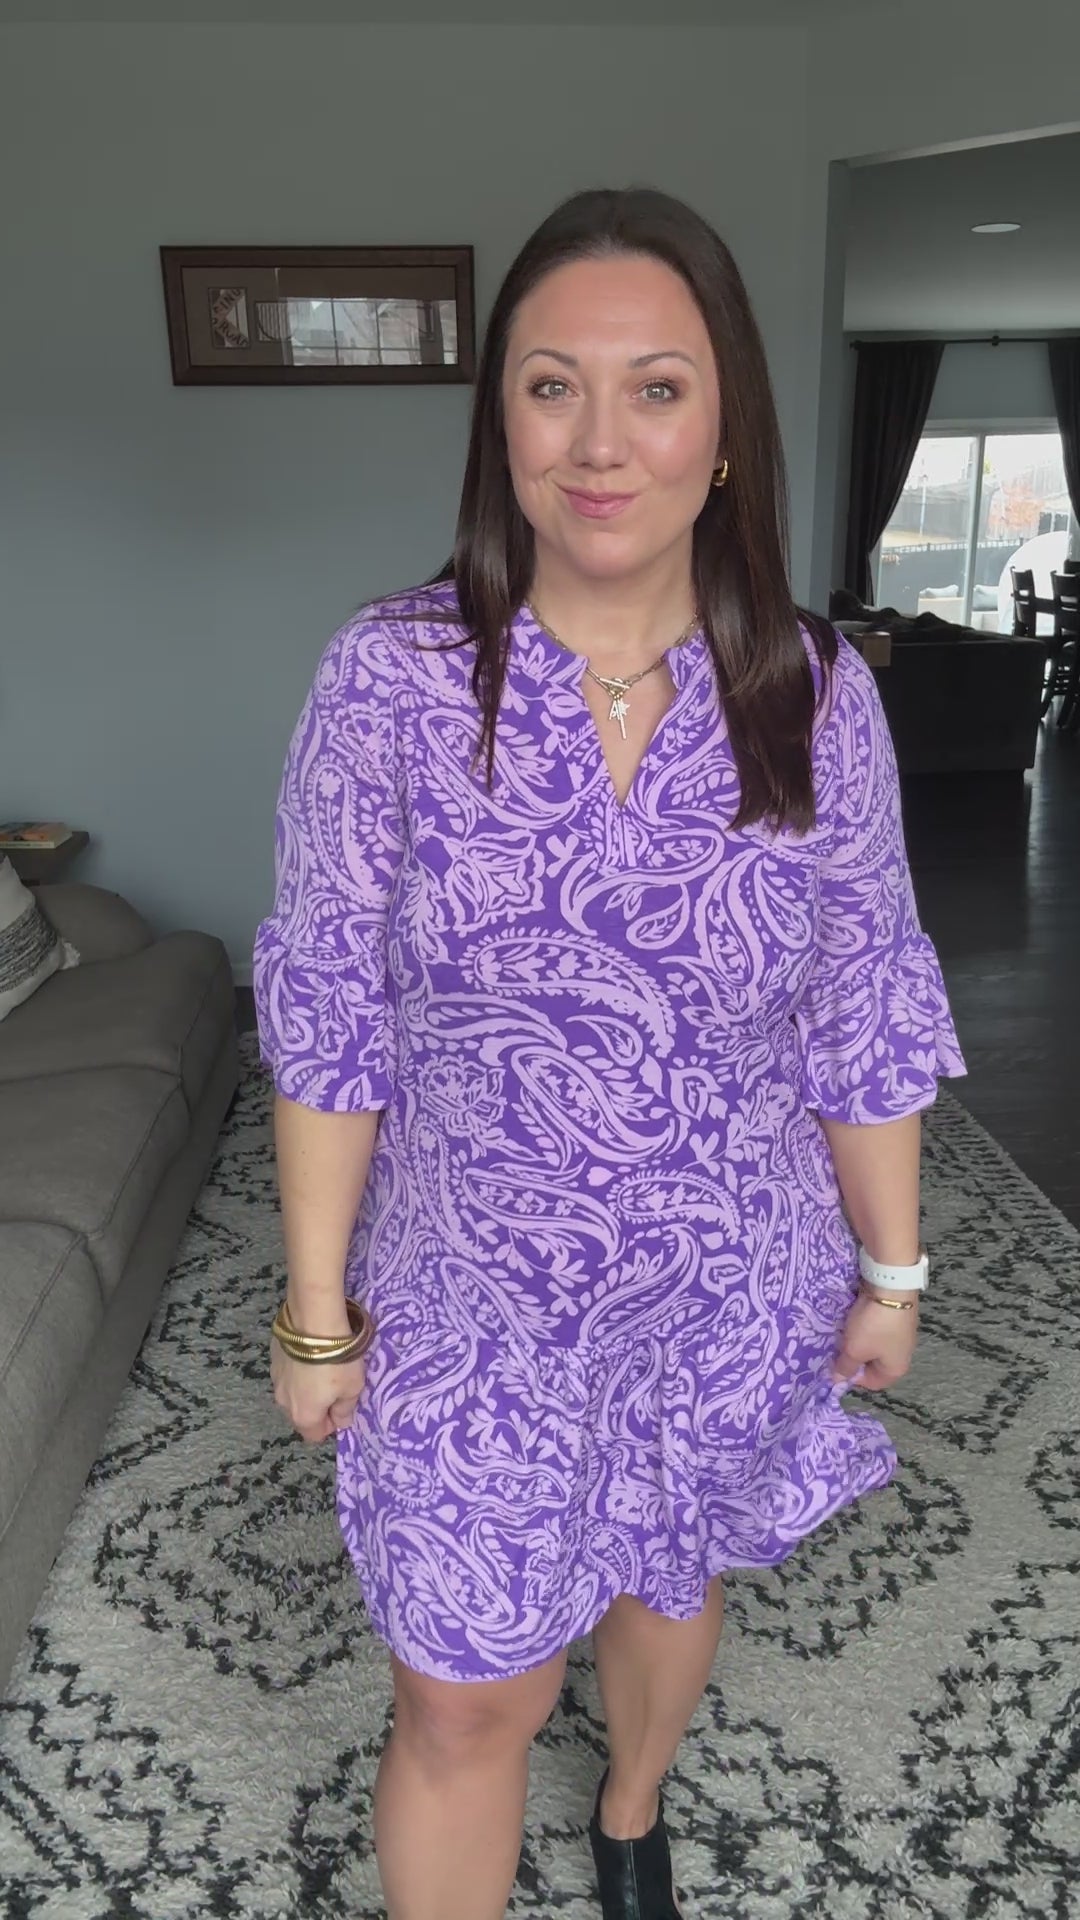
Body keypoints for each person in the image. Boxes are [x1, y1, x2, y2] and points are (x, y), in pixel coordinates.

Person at [253, 186, 967, 1920]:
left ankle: (633, 1809)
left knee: (671, 1573)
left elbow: (863, 1000)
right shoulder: (389, 682)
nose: (599, 441)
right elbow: (329, 1007)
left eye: (655, 388)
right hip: (470, 1292)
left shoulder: (814, 692)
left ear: (725, 432)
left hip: (728, 1277)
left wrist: (891, 1271)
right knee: (461, 1693)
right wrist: (316, 1308)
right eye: (551, 385)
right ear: (500, 424)